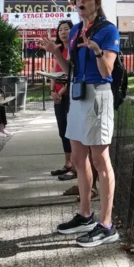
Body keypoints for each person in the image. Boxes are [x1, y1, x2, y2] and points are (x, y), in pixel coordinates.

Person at [39, 0, 121, 247]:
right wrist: (55, 52)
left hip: (98, 94)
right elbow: (70, 68)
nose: (80, 2)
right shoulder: (75, 30)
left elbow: (107, 70)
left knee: (100, 158)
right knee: (77, 156)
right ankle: (85, 214)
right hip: (77, 95)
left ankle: (107, 226)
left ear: (96, 2)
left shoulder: (108, 30)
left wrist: (97, 50)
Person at [48, 20, 76, 189]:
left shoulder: (73, 50)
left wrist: (61, 91)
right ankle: (67, 163)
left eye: (66, 29)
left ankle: (74, 165)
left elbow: (71, 74)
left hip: (69, 95)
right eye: (60, 30)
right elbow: (54, 72)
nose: (63, 32)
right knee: (62, 130)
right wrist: (52, 91)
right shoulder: (57, 50)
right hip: (57, 96)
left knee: (72, 130)